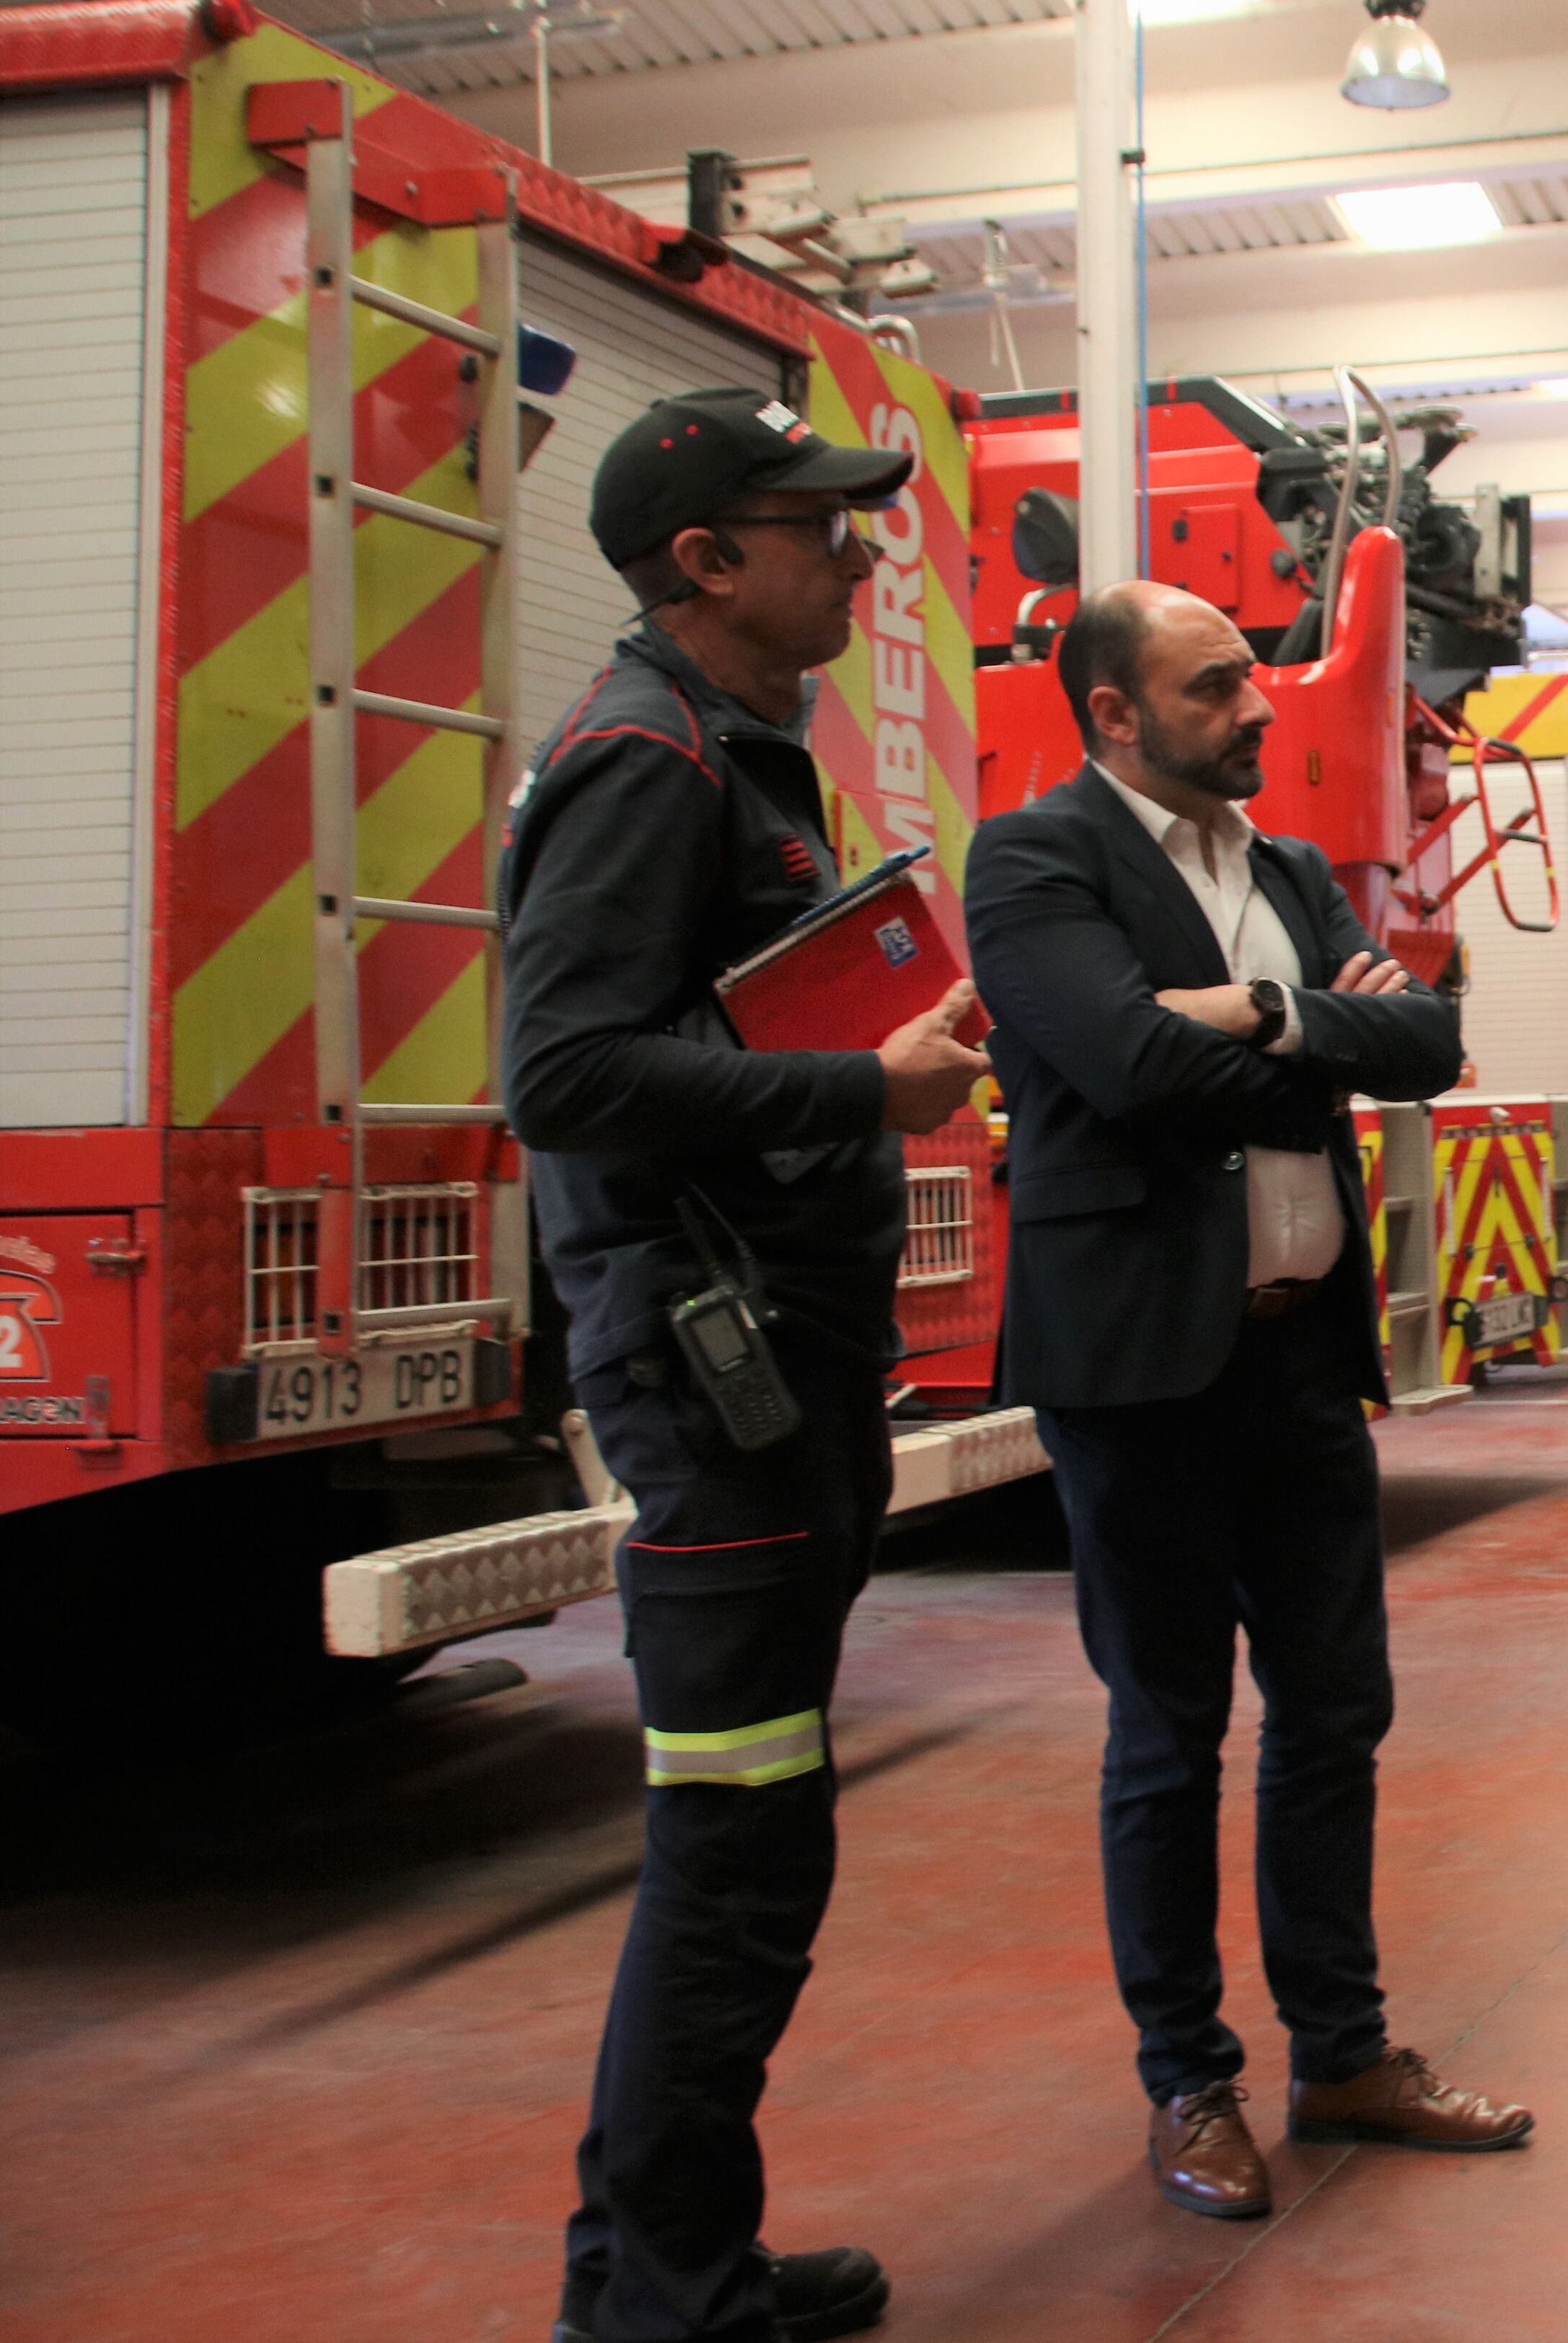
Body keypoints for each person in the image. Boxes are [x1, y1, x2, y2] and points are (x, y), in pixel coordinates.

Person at [503, 390, 990, 2343]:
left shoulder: (734, 750)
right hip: (710, 1386)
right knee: (733, 1840)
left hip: (771, 1373)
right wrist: (854, 1084)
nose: (859, 555)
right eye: (819, 524)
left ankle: (663, 2253)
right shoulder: (646, 757)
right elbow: (561, 1074)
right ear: (707, 559)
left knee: (756, 1832)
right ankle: (659, 2297)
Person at [960, 579, 1528, 2226]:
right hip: (1136, 1364)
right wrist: (1315, 1040)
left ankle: (1342, 2052)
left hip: (1295, 1352)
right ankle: (1187, 2080)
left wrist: (1275, 1010)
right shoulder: (1037, 858)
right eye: (1215, 688)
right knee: (1168, 1728)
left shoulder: (1281, 869)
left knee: (1335, 1710)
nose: (1260, 709)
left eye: (1253, 678)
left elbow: (1428, 1037)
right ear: (1116, 713)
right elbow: (1123, 1067)